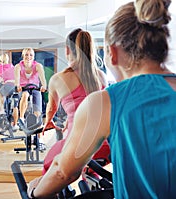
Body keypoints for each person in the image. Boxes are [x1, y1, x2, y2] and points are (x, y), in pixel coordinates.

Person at [27, 0, 176, 198]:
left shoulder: (106, 101)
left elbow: (64, 172)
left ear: (112, 53)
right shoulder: (104, 88)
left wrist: (34, 191)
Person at [42, 29, 110, 175]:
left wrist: (48, 121)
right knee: (92, 169)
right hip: (105, 146)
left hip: (77, 147)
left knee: (48, 164)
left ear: (67, 50)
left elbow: (51, 109)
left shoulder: (58, 79)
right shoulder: (102, 77)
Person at [14, 47, 47, 146]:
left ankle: (40, 139)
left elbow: (42, 78)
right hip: (24, 88)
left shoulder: (38, 66)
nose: (28, 57)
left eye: (31, 55)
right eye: (26, 55)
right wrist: (18, 86)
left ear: (34, 56)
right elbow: (17, 80)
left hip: (36, 88)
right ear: (23, 56)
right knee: (25, 95)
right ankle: (21, 118)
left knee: (38, 114)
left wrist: (44, 86)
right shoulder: (18, 66)